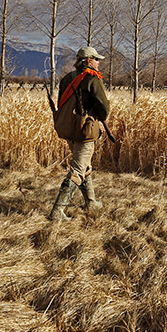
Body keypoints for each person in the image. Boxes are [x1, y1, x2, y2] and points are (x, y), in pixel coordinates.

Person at [49, 46, 111, 221]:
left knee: (85, 166)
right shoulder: (93, 78)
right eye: (96, 59)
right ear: (88, 61)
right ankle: (57, 211)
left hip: (69, 128)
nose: (99, 62)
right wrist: (98, 115)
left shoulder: (67, 78)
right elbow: (104, 108)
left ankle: (91, 202)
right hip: (86, 131)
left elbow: (63, 102)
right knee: (77, 170)